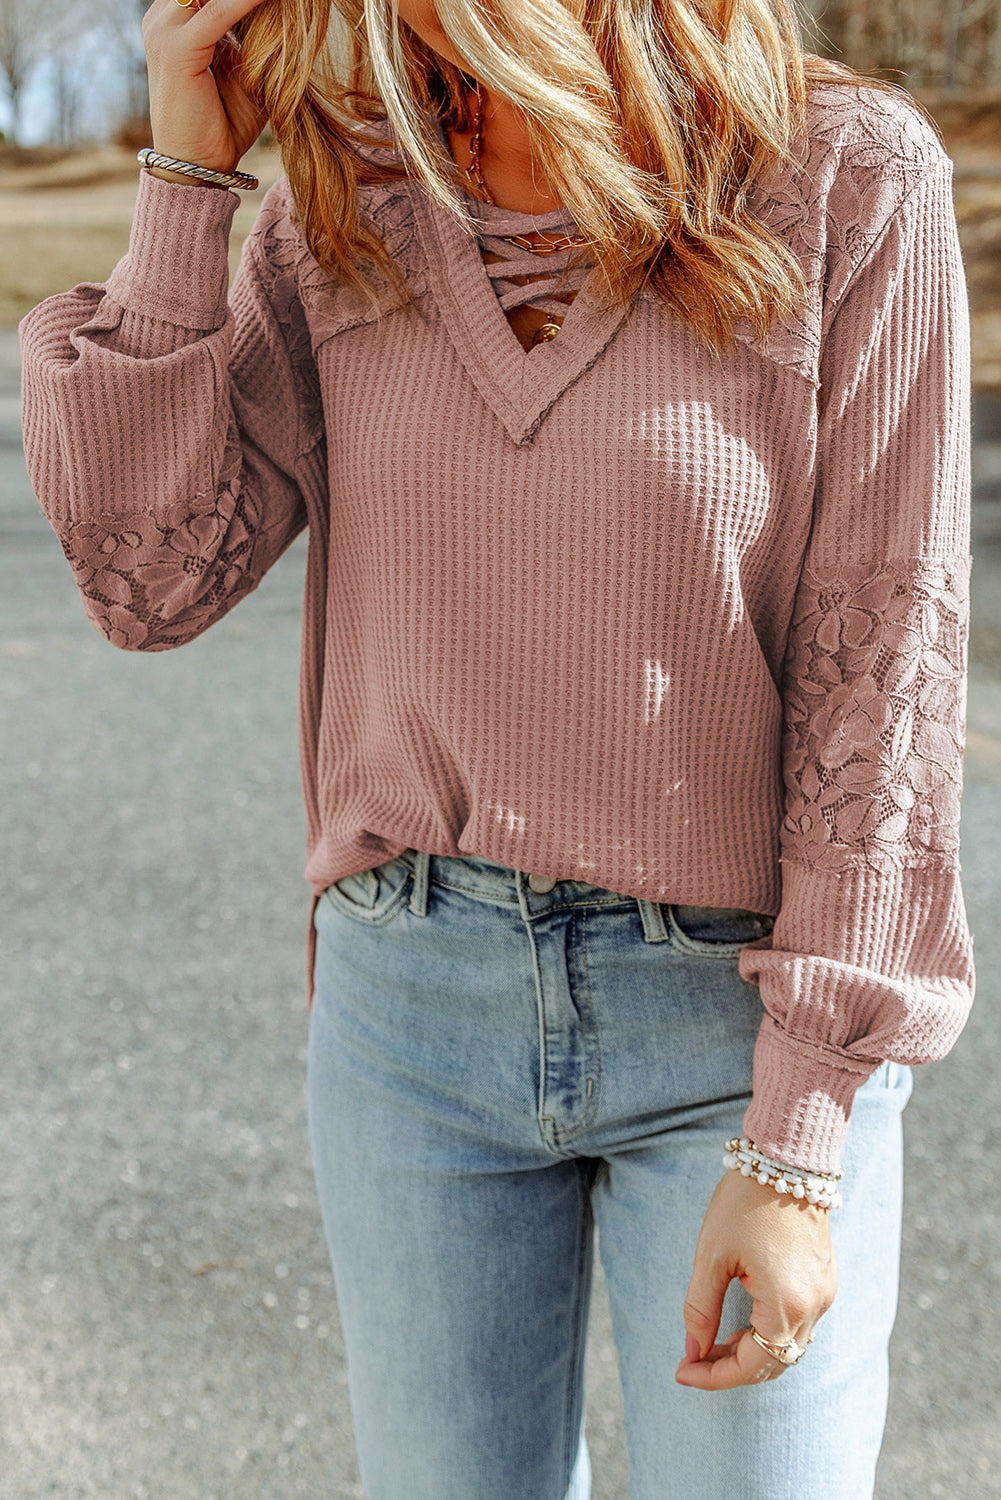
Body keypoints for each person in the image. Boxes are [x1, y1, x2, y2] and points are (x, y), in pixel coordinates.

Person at [18, 0, 975, 1494]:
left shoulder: (844, 176)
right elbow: (147, 584)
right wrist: (189, 184)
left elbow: (885, 680)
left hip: (730, 1030)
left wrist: (797, 1134)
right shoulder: (345, 205)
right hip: (413, 1020)